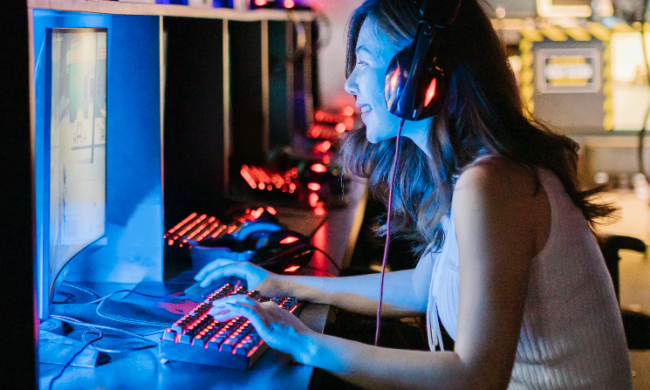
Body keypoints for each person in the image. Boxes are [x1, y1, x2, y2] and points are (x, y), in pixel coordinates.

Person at [194, 0, 632, 388]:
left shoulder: (492, 184)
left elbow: (476, 376)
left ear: (414, 76)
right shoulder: (468, 169)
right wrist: (281, 283)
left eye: (363, 62)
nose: (349, 85)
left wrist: (304, 344)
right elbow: (424, 287)